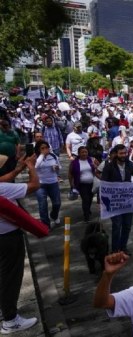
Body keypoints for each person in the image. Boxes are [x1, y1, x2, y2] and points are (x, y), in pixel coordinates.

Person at [0, 154, 40, 334]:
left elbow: (5, 179)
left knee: (3, 275)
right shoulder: (3, 189)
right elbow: (34, 186)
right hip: (8, 238)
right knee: (11, 277)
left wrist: (19, 169)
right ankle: (10, 319)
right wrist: (31, 167)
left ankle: (5, 310)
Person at [101, 144, 133, 253]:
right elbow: (104, 184)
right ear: (116, 154)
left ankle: (123, 248)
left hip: (128, 201)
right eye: (121, 153)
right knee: (117, 226)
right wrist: (102, 202)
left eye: (125, 153)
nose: (123, 155)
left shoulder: (130, 165)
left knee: (127, 226)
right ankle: (115, 251)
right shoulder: (109, 166)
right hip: (114, 202)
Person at [34, 140, 62, 229]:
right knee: (43, 205)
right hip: (40, 184)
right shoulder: (36, 157)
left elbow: (59, 166)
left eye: (46, 148)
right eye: (42, 148)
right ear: (38, 149)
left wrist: (57, 168)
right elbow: (35, 166)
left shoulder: (53, 156)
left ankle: (54, 215)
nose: (45, 150)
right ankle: (46, 225)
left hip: (53, 183)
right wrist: (42, 155)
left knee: (57, 203)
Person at [69, 146, 97, 222]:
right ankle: (86, 216)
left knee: (90, 199)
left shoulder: (91, 160)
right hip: (81, 184)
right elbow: (70, 174)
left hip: (92, 183)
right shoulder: (74, 162)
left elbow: (98, 170)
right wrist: (71, 184)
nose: (84, 154)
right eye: (82, 152)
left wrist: (95, 167)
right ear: (79, 153)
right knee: (85, 199)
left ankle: (87, 209)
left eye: (86, 152)